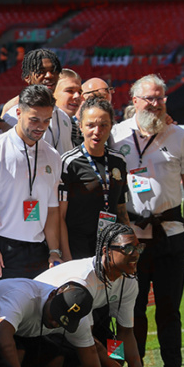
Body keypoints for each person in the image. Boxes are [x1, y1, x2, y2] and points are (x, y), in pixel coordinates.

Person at [109, 74, 184, 367]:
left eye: (160, 98)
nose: (155, 103)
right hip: (129, 238)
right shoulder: (116, 134)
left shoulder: (178, 136)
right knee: (130, 311)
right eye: (149, 98)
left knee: (169, 310)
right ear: (133, 101)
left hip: (171, 234)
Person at [34, 223, 146, 367]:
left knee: (117, 353)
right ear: (106, 251)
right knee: (75, 358)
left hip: (73, 328)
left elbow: (125, 331)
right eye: (128, 249)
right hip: (40, 325)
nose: (135, 255)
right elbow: (87, 345)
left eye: (138, 248)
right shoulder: (83, 281)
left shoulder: (129, 281)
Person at [0, 84, 64, 280]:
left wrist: (54, 251)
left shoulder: (52, 156)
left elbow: (52, 209)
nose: (40, 127)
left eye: (46, 121)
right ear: (18, 112)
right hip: (2, 249)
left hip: (39, 250)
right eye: (34, 120)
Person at [59, 97, 129, 260]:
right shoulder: (69, 163)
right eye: (90, 125)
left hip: (111, 248)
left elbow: (121, 209)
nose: (97, 131)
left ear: (111, 126)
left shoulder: (118, 161)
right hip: (78, 249)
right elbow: (60, 217)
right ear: (81, 126)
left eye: (103, 125)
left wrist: (128, 245)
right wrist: (67, 257)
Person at [2, 50, 73, 154]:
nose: (49, 75)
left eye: (53, 70)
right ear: (27, 77)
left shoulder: (64, 117)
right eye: (41, 71)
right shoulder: (13, 116)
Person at [54, 68, 84, 150]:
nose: (77, 96)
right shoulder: (43, 123)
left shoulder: (71, 123)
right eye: (70, 90)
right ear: (52, 92)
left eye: (80, 92)